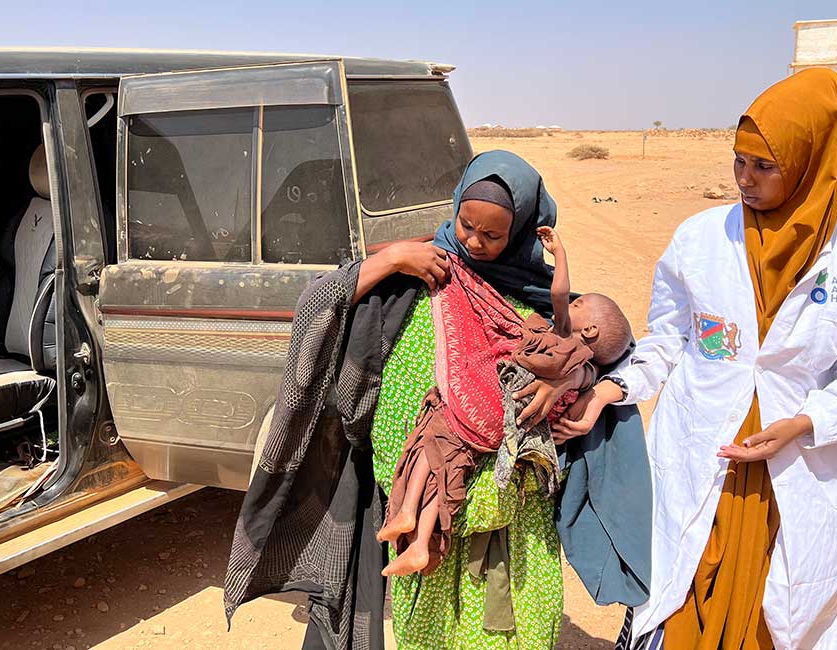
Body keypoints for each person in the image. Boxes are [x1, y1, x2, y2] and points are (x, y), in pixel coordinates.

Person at [226, 149, 652, 650]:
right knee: (427, 626)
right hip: (417, 478)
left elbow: (610, 354)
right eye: (466, 225)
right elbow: (320, 302)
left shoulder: (540, 293)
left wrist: (578, 379)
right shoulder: (423, 266)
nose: (473, 241)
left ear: (521, 229)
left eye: (493, 235)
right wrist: (390, 259)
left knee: (509, 629)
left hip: (509, 513)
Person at [556, 68, 837, 649]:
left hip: (789, 475)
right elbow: (669, 340)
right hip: (701, 457)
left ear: (812, 162)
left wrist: (806, 422)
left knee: (771, 613)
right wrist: (607, 393)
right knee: (681, 600)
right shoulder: (699, 240)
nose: (745, 178)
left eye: (764, 165)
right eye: (738, 161)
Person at [377, 219, 633, 578]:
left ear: (589, 330)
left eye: (581, 305)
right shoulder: (581, 374)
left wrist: (559, 254)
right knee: (452, 461)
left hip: (482, 406)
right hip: (502, 431)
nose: (571, 304)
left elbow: (559, 292)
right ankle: (419, 545)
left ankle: (407, 512)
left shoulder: (563, 340)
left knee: (433, 435)